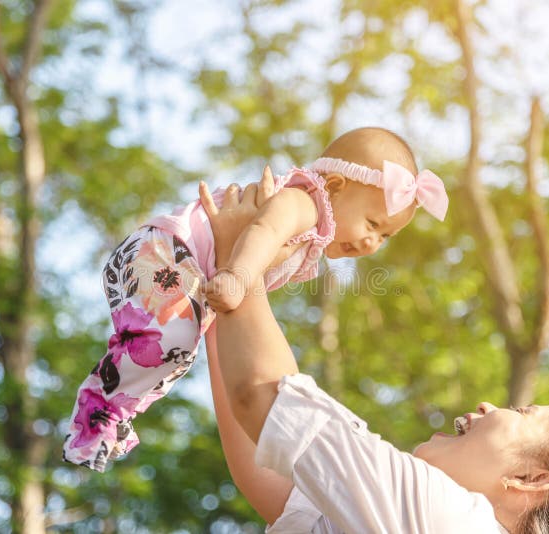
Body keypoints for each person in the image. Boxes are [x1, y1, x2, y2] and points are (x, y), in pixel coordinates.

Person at [200, 184, 549, 533]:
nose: (489, 406)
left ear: (530, 480)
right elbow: (276, 484)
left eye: (524, 413)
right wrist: (218, 307)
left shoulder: (451, 520)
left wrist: (239, 259)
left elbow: (264, 398)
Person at [63, 127, 449, 471]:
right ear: (334, 186)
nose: (370, 243)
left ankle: (107, 415)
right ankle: (100, 410)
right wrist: (237, 277)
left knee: (175, 354)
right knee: (170, 344)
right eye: (372, 224)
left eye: (384, 237)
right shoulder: (306, 201)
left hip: (175, 268)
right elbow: (263, 229)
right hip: (164, 253)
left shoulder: (314, 227)